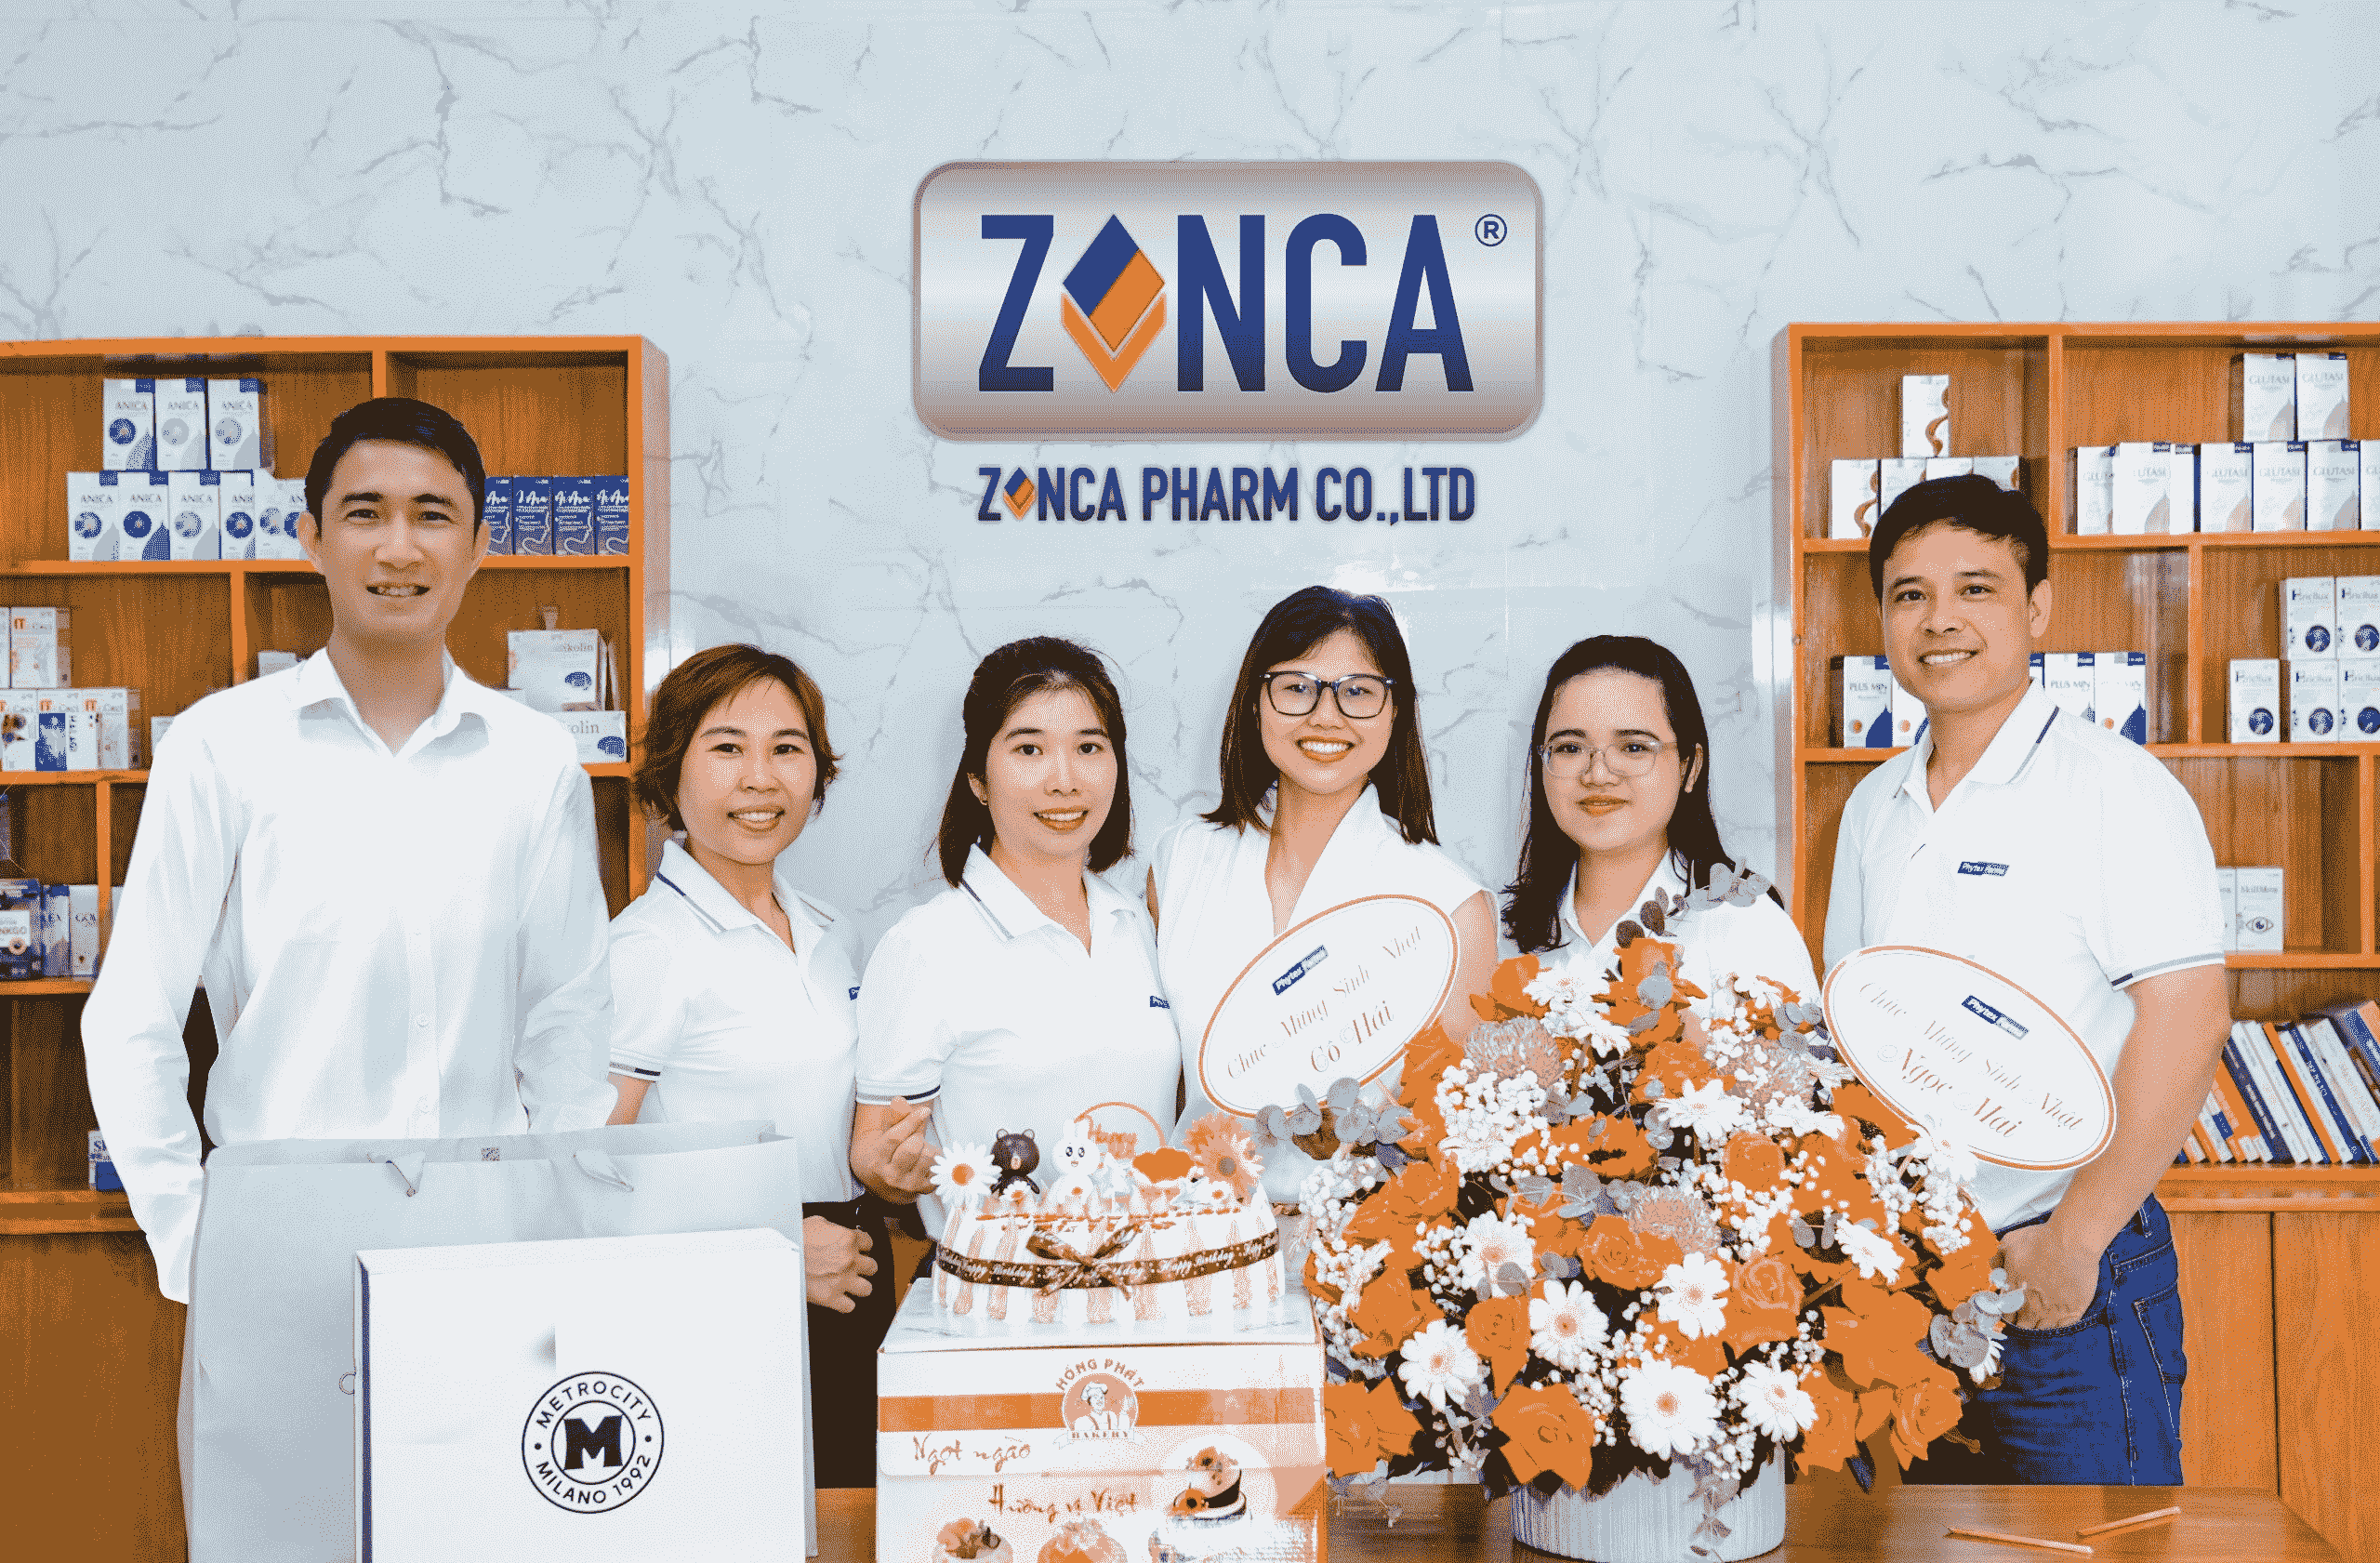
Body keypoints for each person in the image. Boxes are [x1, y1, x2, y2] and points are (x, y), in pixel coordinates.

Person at [82, 397, 615, 1304]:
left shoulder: (535, 761)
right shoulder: (221, 746)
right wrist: (194, 1241)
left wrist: (560, 1229)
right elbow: (132, 1014)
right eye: (365, 513)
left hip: (484, 1252)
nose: (399, 548)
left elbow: (568, 1023)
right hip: (279, 1253)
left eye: (432, 515)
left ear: (479, 546)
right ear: (312, 539)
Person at [1825, 474, 2228, 1484]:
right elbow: (1853, 1032)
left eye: (1977, 588)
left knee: (2095, 1547)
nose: (1940, 619)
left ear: (2037, 608)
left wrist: (2072, 1241)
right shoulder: (1872, 806)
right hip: (1911, 1286)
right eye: (1910, 594)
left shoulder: (2113, 786)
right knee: (1919, 1550)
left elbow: (2187, 1018)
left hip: (2063, 1272)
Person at [602, 642, 889, 1487]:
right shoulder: (647, 947)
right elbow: (580, 1171)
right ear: (670, 772)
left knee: (849, 1521)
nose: (760, 778)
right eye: (727, 747)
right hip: (720, 1295)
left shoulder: (831, 931)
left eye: (786, 748)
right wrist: (777, 1244)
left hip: (849, 1276)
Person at [1149, 586, 1494, 1204]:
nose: (1326, 716)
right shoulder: (1181, 862)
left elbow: (1454, 1139)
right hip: (1193, 1238)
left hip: (1366, 1247)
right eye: (1296, 687)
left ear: (1395, 711)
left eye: (1358, 691)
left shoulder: (1450, 904)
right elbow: (1160, 1087)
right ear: (1255, 702)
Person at [852, 637, 1179, 1245]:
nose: (1064, 780)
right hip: (1000, 1289)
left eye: (1089, 747)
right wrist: (898, 1171)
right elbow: (874, 1150)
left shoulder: (1139, 923)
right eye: (1029, 748)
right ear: (978, 777)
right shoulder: (926, 945)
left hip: (1152, 1276)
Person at [1504, 634, 1816, 1000]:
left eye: (1634, 747)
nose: (1597, 775)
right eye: (1570, 747)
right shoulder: (1496, 936)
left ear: (1690, 767)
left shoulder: (1749, 930)